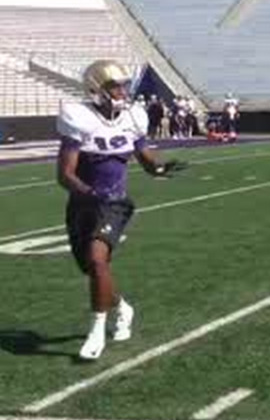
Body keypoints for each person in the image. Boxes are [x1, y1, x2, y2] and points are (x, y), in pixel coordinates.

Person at [57, 60, 186, 361]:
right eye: (114, 86)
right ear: (96, 89)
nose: (122, 91)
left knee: (97, 259)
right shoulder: (79, 118)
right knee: (92, 269)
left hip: (115, 203)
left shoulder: (132, 118)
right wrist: (88, 193)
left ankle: (96, 331)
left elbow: (145, 158)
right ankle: (123, 308)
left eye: (123, 85)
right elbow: (64, 174)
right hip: (84, 203)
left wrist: (160, 167)